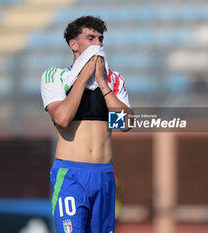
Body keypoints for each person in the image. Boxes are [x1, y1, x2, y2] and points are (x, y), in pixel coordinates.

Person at [40, 16, 133, 233]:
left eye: (100, 39)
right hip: (72, 175)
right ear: (74, 44)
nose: (98, 45)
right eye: (90, 38)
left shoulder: (114, 80)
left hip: (104, 175)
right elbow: (62, 119)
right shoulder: (56, 77)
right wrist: (83, 77)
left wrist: (102, 82)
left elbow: (125, 123)